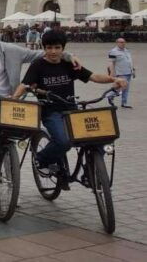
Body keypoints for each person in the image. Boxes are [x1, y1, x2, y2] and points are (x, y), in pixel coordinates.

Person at [13, 30, 127, 188]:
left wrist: (114, 79)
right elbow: (25, 84)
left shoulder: (69, 64)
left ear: (63, 48)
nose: (53, 51)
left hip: (71, 110)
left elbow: (93, 76)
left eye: (57, 47)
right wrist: (13, 99)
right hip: (51, 112)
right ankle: (41, 159)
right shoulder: (38, 65)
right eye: (49, 48)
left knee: (99, 136)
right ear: (44, 48)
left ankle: (90, 171)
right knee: (63, 141)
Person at [0, 20, 78, 170]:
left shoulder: (12, 50)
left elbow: (40, 54)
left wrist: (68, 56)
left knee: (11, 128)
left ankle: (8, 161)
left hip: (8, 97)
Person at [107, 38, 134, 109]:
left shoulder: (126, 50)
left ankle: (124, 103)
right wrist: (111, 73)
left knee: (126, 88)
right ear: (117, 43)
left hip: (128, 72)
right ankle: (110, 95)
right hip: (121, 73)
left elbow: (129, 61)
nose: (123, 43)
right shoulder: (113, 52)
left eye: (124, 42)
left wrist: (132, 70)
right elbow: (111, 63)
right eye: (121, 42)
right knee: (120, 87)